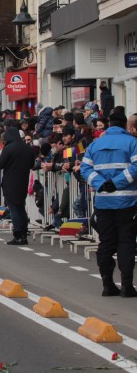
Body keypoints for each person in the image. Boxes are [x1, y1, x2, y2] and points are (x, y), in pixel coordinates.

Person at [80, 110, 137, 297]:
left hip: (103, 201)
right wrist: (117, 182)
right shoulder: (132, 142)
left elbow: (85, 168)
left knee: (106, 243)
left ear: (109, 124)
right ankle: (127, 286)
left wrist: (101, 183)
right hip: (127, 201)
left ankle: (107, 284)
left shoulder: (96, 144)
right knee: (126, 242)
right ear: (125, 126)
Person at [0, 128, 36, 245]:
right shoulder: (28, 148)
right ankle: (23, 233)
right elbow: (31, 164)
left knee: (13, 208)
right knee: (21, 207)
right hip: (23, 180)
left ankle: (17, 234)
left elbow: (0, 164)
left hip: (10, 181)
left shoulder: (9, 148)